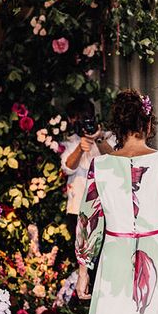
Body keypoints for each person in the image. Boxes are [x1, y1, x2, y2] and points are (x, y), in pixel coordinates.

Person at [75, 90, 158, 314]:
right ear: (148, 124)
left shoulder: (100, 165)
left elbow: (88, 223)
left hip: (114, 257)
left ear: (117, 127)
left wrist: (82, 273)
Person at [60, 96, 114, 238]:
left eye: (81, 118)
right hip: (77, 209)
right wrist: (80, 148)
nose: (77, 123)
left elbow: (116, 160)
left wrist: (97, 138)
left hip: (105, 208)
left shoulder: (107, 138)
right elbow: (67, 168)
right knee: (81, 255)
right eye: (74, 119)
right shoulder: (70, 143)